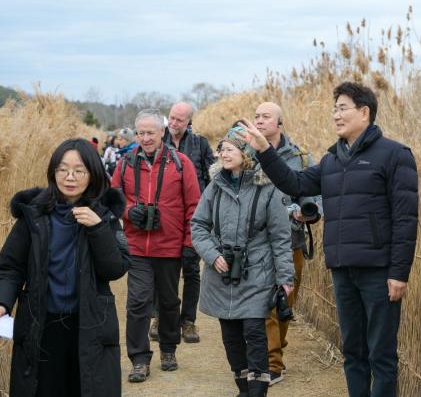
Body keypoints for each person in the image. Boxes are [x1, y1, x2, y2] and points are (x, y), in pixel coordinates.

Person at [239, 82, 419, 397]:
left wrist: (398, 273)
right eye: (335, 109)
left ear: (364, 112)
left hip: (379, 271)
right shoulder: (332, 159)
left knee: (382, 355)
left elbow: (406, 220)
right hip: (342, 268)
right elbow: (294, 182)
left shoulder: (395, 155)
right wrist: (265, 151)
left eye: (343, 108)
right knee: (353, 352)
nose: (336, 115)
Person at [0, 138, 131, 397]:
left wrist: (98, 228)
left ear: (93, 174)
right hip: (41, 326)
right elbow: (10, 266)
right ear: (53, 172)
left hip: (89, 326)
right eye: (63, 169)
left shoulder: (103, 214)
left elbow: (115, 269)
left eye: (79, 170)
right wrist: (1, 301)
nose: (70, 177)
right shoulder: (34, 214)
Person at [190, 125, 295, 397]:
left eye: (230, 148)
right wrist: (213, 255)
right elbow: (199, 226)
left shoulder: (268, 188)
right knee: (231, 336)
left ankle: (258, 390)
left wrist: (285, 278)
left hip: (257, 272)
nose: (223, 153)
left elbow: (281, 237)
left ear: (246, 152)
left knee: (254, 331)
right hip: (222, 273)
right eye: (222, 148)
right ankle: (244, 388)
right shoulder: (215, 186)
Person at [111, 109, 201, 383]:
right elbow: (112, 199)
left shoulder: (181, 163)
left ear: (162, 132)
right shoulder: (125, 162)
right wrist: (128, 212)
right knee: (137, 303)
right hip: (137, 246)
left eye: (151, 132)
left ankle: (168, 349)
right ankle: (139, 359)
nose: (146, 138)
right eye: (141, 133)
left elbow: (194, 207)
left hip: (170, 246)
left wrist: (189, 245)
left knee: (169, 302)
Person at [252, 102, 322, 386]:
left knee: (285, 301)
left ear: (280, 124)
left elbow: (318, 195)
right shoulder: (246, 154)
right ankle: (272, 363)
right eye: (256, 116)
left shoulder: (301, 157)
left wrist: (305, 212)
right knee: (263, 303)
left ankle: (276, 347)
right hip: (256, 242)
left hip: (292, 240)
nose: (259, 121)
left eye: (266, 117)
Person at [148, 101, 215, 344]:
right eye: (172, 118)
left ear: (189, 122)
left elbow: (214, 174)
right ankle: (159, 317)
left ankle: (188, 321)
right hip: (163, 215)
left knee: (191, 269)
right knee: (163, 268)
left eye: (180, 120)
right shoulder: (157, 141)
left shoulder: (200, 144)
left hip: (194, 215)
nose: (174, 124)